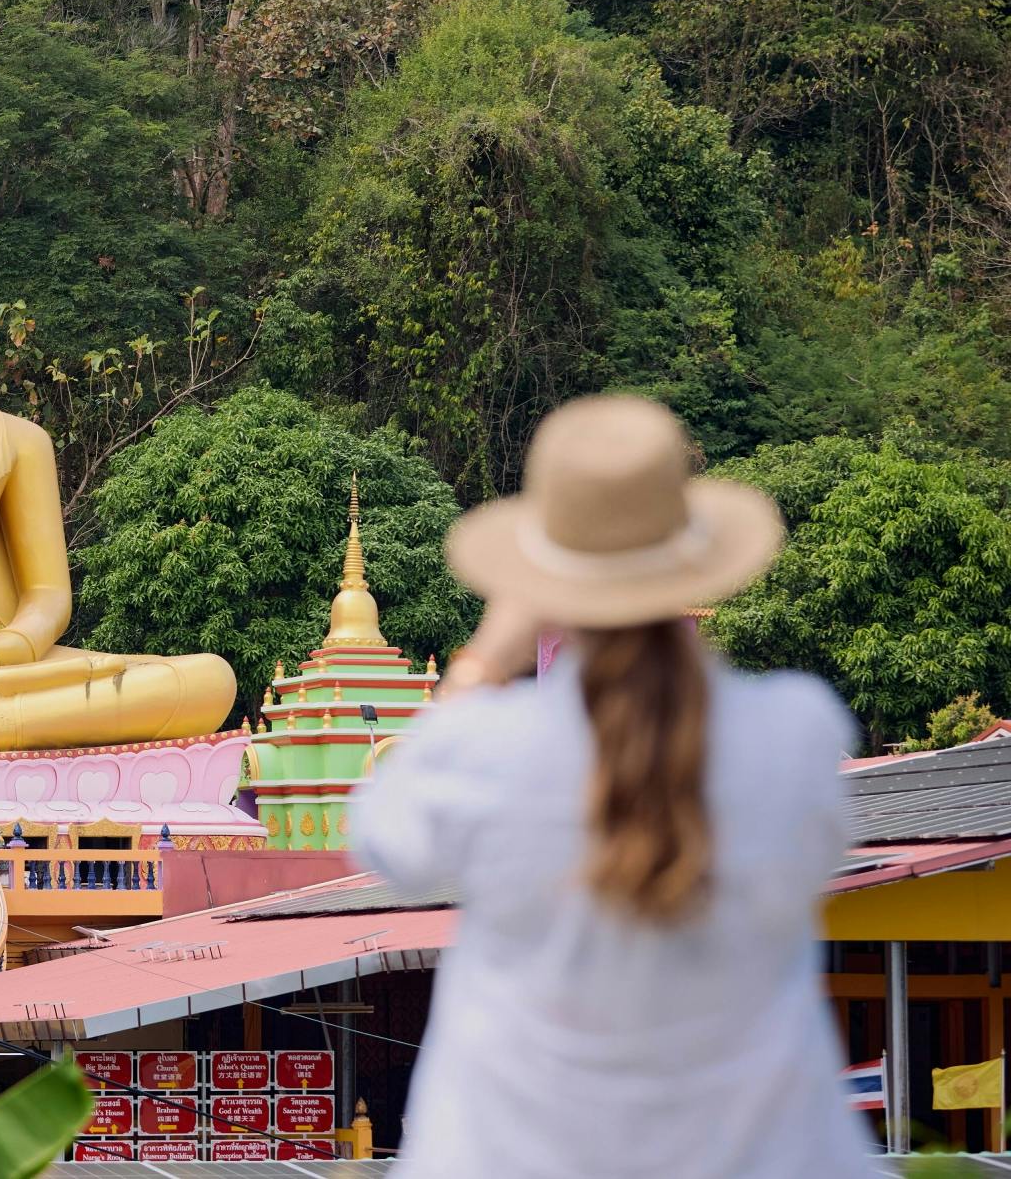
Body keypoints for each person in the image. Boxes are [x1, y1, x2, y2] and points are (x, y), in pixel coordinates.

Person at [355, 395, 876, 1179]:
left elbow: (384, 838)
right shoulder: (794, 735)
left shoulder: (487, 749)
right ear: (693, 560)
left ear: (544, 584)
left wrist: (486, 657)